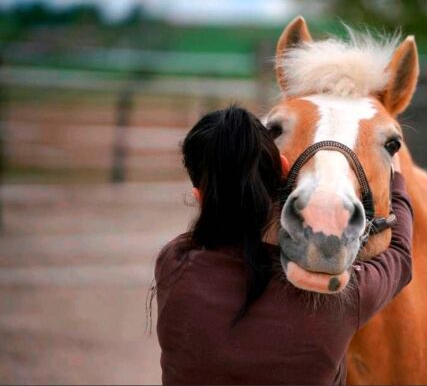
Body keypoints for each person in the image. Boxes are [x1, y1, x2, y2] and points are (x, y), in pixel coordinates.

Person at [153, 105, 413, 385]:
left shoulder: (172, 263)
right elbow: (400, 255)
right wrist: (395, 177)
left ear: (199, 196)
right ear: (284, 169)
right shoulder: (338, 300)